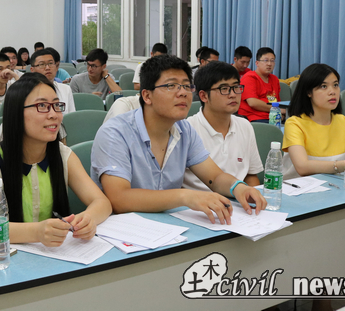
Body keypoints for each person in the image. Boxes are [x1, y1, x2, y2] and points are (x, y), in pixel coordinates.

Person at [90, 55, 266, 222]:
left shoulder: (184, 130)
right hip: (124, 229)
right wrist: (185, 196)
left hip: (169, 226)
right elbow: (119, 199)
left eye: (186, 86)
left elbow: (215, 176)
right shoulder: (115, 133)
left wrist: (238, 187)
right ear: (147, 96)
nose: (183, 93)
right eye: (171, 86)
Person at [0, 73, 111, 246]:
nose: (54, 115)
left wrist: (87, 219)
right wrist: (36, 232)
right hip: (6, 255)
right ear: (17, 112)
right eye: (42, 106)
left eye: (56, 105)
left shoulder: (63, 154)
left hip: (55, 254)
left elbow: (102, 202)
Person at [282, 63, 345, 180]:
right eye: (324, 86)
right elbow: (303, 167)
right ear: (309, 92)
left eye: (335, 85)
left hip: (334, 185)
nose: (332, 92)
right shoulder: (295, 124)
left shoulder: (341, 120)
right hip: (300, 187)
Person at [185, 62, 263, 191]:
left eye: (236, 87)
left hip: (238, 197)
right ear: (204, 96)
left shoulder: (245, 125)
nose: (233, 94)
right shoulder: (188, 129)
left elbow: (251, 175)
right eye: (224, 89)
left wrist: (252, 197)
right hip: (200, 201)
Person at [238, 47, 282, 122]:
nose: (269, 64)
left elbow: (277, 102)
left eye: (272, 61)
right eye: (266, 60)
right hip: (254, 118)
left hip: (274, 117)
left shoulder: (274, 79)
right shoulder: (249, 77)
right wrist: (279, 110)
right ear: (257, 63)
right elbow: (253, 103)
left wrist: (281, 114)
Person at [30, 49, 76, 114]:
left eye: (50, 63)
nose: (47, 68)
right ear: (32, 70)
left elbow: (71, 116)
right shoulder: (27, 91)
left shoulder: (66, 89)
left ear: (56, 67)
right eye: (42, 64)